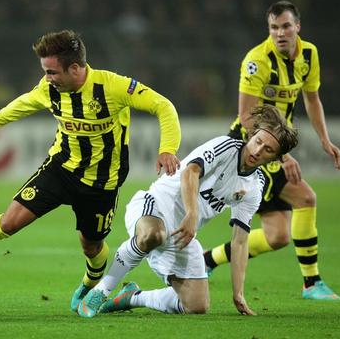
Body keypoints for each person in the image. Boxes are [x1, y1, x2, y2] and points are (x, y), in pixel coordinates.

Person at [0, 29, 182, 312]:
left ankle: (90, 283)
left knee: (91, 245)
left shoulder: (113, 87)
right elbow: (23, 104)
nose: (47, 78)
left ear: (75, 68)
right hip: (60, 169)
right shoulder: (49, 88)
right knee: (9, 222)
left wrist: (167, 148)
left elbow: (163, 106)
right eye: (46, 72)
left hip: (102, 182)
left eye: (52, 72)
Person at [77, 105, 299, 318]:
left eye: (268, 149)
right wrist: (192, 213)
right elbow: (190, 172)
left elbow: (240, 241)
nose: (258, 150)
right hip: (154, 206)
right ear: (251, 136)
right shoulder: (226, 147)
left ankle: (132, 298)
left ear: (276, 158)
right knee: (153, 234)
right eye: (258, 141)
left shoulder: (254, 185)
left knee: (196, 305)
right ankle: (102, 291)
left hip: (182, 233)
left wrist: (238, 292)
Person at [202, 1, 340, 300]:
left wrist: (324, 140)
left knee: (278, 236)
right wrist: (282, 155)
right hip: (252, 148)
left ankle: (207, 259)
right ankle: (311, 283)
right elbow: (247, 116)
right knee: (305, 197)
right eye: (274, 27)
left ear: (297, 27)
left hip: (275, 150)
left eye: (286, 26)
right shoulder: (256, 60)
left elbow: (312, 99)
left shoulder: (309, 54)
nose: (280, 33)